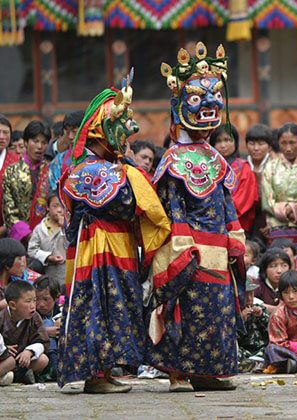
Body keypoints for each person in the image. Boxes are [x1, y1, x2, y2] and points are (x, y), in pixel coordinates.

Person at [57, 80, 170, 393]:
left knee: (116, 304)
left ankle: (105, 371)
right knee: (100, 304)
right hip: (99, 247)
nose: (129, 132)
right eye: (122, 126)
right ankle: (95, 375)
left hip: (114, 244)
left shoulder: (108, 166)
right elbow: (123, 203)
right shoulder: (92, 169)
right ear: (103, 130)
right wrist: (129, 168)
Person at [148, 43, 246, 393]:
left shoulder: (214, 157)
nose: (210, 106)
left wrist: (236, 233)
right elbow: (173, 205)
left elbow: (226, 200)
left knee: (218, 311)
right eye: (198, 99)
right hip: (189, 248)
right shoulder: (173, 159)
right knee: (187, 309)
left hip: (218, 246)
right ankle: (177, 372)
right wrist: (181, 243)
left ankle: (209, 371)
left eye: (216, 97)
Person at [261, 123, 297, 265]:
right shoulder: (271, 166)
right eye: (284, 143)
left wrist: (295, 210)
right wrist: (285, 210)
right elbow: (266, 200)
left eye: (292, 142)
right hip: (276, 226)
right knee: (278, 267)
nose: (288, 148)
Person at [2, 120, 51, 231]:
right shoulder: (11, 171)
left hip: (46, 233)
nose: (39, 146)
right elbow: (8, 208)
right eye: (35, 141)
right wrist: (25, 233)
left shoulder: (52, 170)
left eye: (44, 142)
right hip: (19, 236)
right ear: (25, 142)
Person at [210, 125, 259, 233]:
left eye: (227, 140)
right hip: (210, 226)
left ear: (235, 142)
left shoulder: (244, 168)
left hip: (237, 227)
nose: (223, 145)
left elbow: (243, 202)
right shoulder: (207, 169)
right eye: (218, 141)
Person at [0, 281, 49, 385]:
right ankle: (12, 376)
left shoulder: (34, 317)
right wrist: (4, 349)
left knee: (43, 360)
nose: (33, 306)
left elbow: (43, 341)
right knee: (10, 362)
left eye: (34, 300)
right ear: (13, 305)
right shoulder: (1, 317)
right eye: (28, 301)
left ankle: (14, 376)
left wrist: (29, 351)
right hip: (5, 359)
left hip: (23, 360)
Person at [27, 194, 66, 288]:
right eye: (55, 206)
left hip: (66, 272)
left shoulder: (70, 227)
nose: (59, 210)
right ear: (48, 208)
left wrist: (64, 228)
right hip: (48, 273)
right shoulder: (40, 229)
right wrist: (48, 257)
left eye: (62, 206)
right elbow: (31, 250)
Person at [237, 278, 269, 372]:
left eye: (251, 294)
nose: (249, 298)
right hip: (244, 351)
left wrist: (261, 316)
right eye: (246, 295)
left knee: (273, 350)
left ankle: (255, 365)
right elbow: (232, 338)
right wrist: (241, 321)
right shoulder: (232, 312)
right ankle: (256, 365)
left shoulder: (260, 308)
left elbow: (270, 331)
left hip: (261, 350)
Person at [34, 277, 61, 382]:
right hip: (39, 351)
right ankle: (54, 367)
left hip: (60, 351)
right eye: (37, 299)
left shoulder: (61, 310)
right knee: (47, 323)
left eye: (46, 299)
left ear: (56, 297)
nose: (40, 304)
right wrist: (46, 331)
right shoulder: (31, 312)